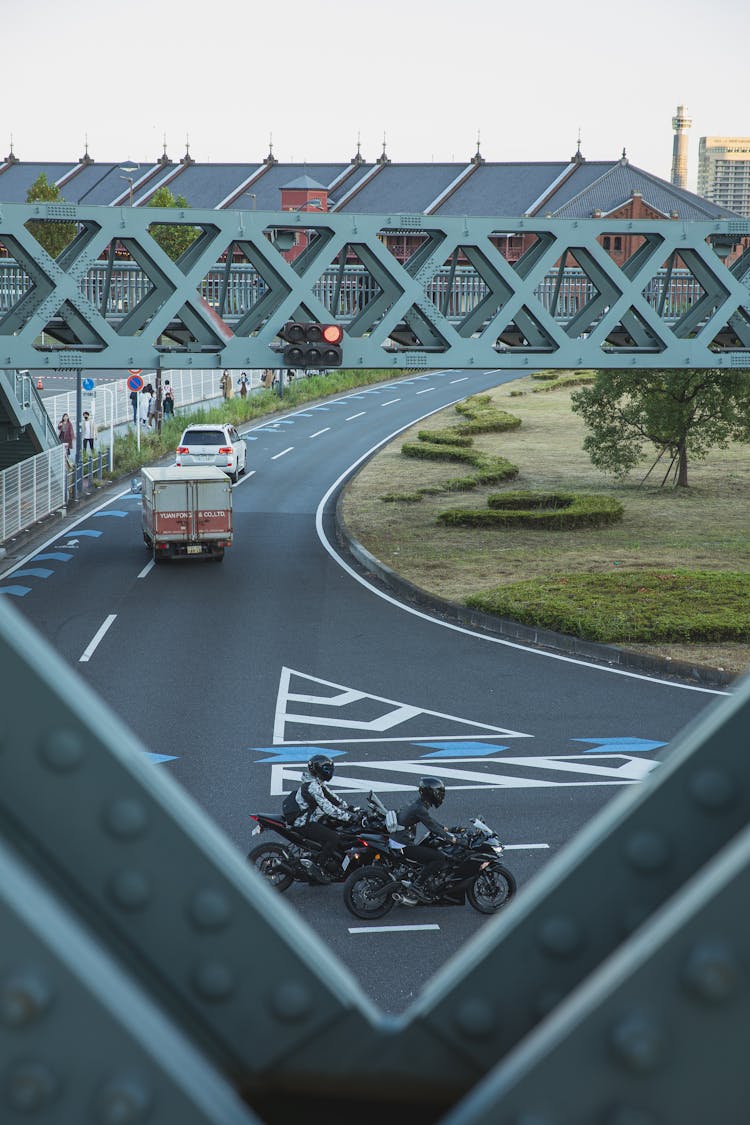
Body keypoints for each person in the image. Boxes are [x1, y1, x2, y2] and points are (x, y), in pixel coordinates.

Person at [290, 754, 358, 882]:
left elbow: (332, 797)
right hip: (304, 822)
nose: (330, 772)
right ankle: (318, 868)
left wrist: (351, 808)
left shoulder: (316, 782)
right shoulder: (312, 786)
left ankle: (320, 861)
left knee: (333, 826)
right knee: (334, 837)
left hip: (310, 818)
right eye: (327, 769)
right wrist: (349, 818)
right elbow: (327, 807)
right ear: (318, 770)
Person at [391, 777, 457, 904]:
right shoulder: (419, 808)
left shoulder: (417, 803)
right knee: (439, 858)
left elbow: (429, 820)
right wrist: (451, 838)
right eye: (439, 793)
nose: (440, 796)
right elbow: (431, 826)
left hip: (398, 840)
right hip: (403, 845)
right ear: (431, 793)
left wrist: (445, 828)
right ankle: (417, 885)